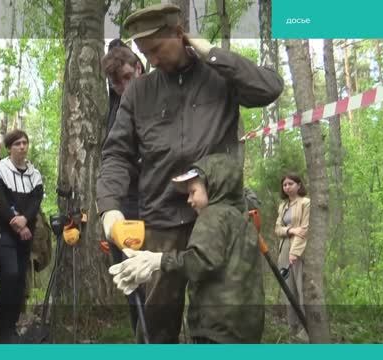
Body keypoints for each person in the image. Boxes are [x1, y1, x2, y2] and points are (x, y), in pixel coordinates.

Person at [96, 3, 283, 343]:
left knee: (221, 322)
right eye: (143, 52)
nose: (150, 60)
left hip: (215, 220)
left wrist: (211, 53)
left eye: (156, 49)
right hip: (161, 221)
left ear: (179, 33)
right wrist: (109, 208)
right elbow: (117, 154)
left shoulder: (220, 76)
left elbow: (269, 89)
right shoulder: (139, 91)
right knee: (156, 324)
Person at [109, 153, 264, 343]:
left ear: (213, 186)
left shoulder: (213, 216)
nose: (189, 200)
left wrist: (157, 260)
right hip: (246, 327)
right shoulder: (242, 219)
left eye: (193, 192)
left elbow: (201, 261)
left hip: (217, 329)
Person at [101, 39, 146, 335]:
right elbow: (114, 157)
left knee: (162, 287)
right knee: (133, 286)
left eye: (128, 78)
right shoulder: (115, 106)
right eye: (117, 83)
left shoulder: (162, 92)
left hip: (162, 203)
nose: (124, 86)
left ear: (140, 68)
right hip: (126, 204)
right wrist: (109, 208)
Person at [0, 129, 44, 343]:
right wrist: (17, 223)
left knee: (20, 280)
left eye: (25, 142)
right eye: (17, 144)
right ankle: (2, 328)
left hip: (26, 234)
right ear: (9, 147)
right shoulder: (0, 168)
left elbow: (35, 201)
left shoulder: (35, 173)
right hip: (6, 232)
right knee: (9, 277)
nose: (22, 146)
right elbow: (1, 201)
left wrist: (25, 220)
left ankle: (11, 326)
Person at [275, 173, 310, 342]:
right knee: (288, 290)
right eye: (284, 185)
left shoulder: (305, 203)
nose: (287, 187)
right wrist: (290, 230)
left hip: (299, 250)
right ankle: (292, 328)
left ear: (298, 185)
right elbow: (277, 229)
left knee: (301, 289)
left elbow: (304, 229)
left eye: (290, 183)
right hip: (283, 249)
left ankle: (306, 329)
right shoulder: (283, 206)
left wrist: (294, 253)